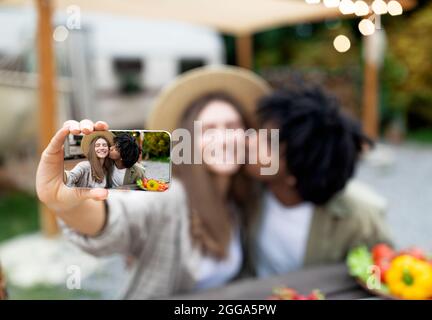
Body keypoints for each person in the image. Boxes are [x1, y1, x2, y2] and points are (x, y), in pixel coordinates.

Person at [35, 66, 270, 299]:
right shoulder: (169, 195)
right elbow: (120, 218)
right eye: (208, 130)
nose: (224, 139)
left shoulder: (243, 197)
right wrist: (67, 204)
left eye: (232, 126)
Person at [244, 87, 393, 277]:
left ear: (295, 173)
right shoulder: (247, 190)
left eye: (267, 143)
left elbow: (383, 280)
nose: (249, 142)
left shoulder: (359, 220)